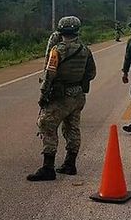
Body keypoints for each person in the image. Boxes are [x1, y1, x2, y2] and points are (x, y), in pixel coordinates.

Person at [29, 16, 97, 181]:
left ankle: (48, 168)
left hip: (60, 96)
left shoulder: (57, 50)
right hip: (78, 95)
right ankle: (70, 164)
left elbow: (49, 75)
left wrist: (43, 95)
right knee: (72, 128)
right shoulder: (85, 50)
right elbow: (91, 73)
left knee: (46, 124)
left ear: (61, 30)